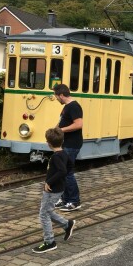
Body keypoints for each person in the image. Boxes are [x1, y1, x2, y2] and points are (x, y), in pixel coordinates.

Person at [32, 128, 76, 253]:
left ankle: (49, 242)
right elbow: (70, 167)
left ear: (48, 143)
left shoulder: (56, 157)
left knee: (43, 214)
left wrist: (49, 182)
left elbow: (62, 171)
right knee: (47, 211)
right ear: (62, 141)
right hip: (58, 188)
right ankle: (67, 224)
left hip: (52, 190)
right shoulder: (64, 153)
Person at [54, 84, 83, 212]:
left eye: (56, 96)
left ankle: (74, 201)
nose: (56, 99)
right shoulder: (67, 107)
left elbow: (78, 124)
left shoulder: (74, 106)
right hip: (66, 143)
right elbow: (62, 122)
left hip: (72, 144)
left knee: (67, 173)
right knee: (63, 172)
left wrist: (60, 130)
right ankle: (65, 199)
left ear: (61, 95)